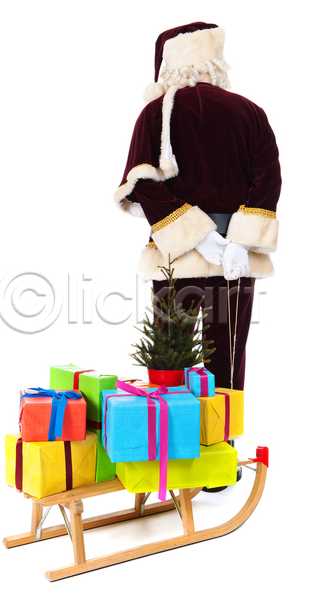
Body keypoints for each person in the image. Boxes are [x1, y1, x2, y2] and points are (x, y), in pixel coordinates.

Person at [113, 22, 281, 392]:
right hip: (235, 259)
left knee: (169, 359)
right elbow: (268, 183)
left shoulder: (155, 113)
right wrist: (239, 242)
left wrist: (194, 237)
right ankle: (224, 428)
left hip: (175, 257)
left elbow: (142, 183)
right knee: (227, 361)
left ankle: (170, 428)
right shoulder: (251, 112)